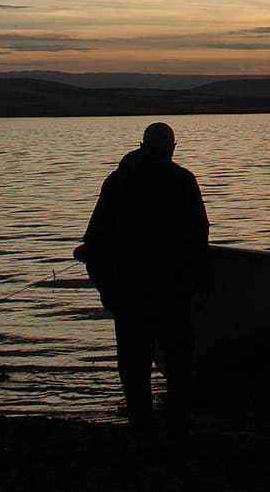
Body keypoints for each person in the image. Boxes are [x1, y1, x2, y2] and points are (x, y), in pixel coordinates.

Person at [78, 122, 212, 440]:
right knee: (177, 363)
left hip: (131, 293)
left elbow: (93, 241)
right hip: (168, 292)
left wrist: (105, 288)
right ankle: (176, 430)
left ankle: (142, 428)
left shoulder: (117, 181)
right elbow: (199, 237)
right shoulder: (182, 181)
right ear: (172, 148)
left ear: (141, 144)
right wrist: (204, 283)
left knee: (134, 364)